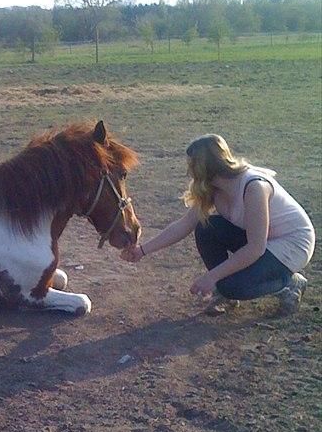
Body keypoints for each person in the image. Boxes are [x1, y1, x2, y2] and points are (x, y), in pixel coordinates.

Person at [121, 134, 315, 315]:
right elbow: (184, 225)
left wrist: (212, 277)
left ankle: (290, 282)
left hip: (292, 244)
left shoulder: (254, 187)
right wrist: (142, 251)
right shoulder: (215, 188)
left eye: (192, 165)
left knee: (232, 287)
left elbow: (256, 248)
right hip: (264, 240)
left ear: (205, 167)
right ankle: (225, 293)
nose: (189, 171)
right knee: (206, 228)